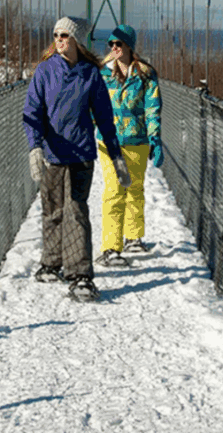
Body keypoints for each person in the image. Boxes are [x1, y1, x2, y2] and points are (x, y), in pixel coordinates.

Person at [23, 16, 131, 302]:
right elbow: (32, 113)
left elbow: (105, 118)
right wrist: (35, 147)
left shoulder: (90, 74)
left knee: (76, 211)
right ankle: (51, 262)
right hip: (53, 154)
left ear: (76, 41)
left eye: (65, 36)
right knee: (53, 209)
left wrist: (116, 155)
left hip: (81, 153)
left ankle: (81, 275)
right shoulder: (44, 72)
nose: (59, 40)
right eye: (56, 35)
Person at [94, 24, 163, 268]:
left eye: (119, 44)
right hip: (109, 142)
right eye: (111, 44)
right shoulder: (101, 73)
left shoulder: (145, 74)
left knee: (135, 188)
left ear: (129, 46)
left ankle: (133, 236)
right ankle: (110, 247)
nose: (114, 48)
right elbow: (94, 105)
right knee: (114, 191)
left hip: (137, 140)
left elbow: (152, 108)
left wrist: (155, 138)